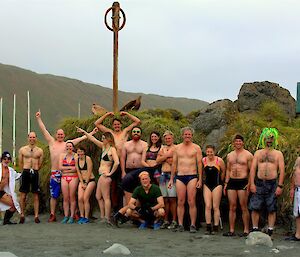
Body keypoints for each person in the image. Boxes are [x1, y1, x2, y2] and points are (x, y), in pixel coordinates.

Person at [35, 110, 93, 222]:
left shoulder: (68, 144)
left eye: (62, 134)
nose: (60, 136)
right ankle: (52, 214)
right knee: (54, 195)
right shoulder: (51, 142)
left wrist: (92, 133)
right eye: (59, 134)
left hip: (69, 174)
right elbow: (44, 130)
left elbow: (81, 138)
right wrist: (38, 118)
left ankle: (74, 213)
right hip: (55, 173)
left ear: (64, 135)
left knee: (71, 195)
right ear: (56, 135)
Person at [95, 111, 141, 212]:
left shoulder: (125, 132)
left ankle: (127, 209)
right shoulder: (110, 133)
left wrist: (127, 114)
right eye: (115, 124)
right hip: (113, 163)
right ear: (112, 125)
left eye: (118, 124)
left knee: (125, 186)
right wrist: (106, 114)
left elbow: (137, 121)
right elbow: (97, 124)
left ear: (121, 125)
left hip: (124, 162)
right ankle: (115, 208)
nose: (116, 126)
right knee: (114, 186)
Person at [77, 127, 119, 225]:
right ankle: (103, 216)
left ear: (108, 139)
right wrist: (84, 132)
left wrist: (110, 173)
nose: (102, 140)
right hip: (101, 175)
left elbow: (116, 162)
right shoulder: (104, 147)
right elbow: (93, 139)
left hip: (106, 176)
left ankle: (107, 218)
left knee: (106, 197)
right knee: (98, 196)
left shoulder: (112, 149)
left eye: (103, 138)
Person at [249, 128, 285, 236]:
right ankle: (255, 229)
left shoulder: (278, 154)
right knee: (255, 206)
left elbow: (282, 170)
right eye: (267, 138)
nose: (269, 140)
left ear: (274, 140)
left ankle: (270, 231)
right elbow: (253, 169)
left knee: (271, 208)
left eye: (271, 138)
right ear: (263, 139)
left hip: (272, 184)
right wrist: (251, 183)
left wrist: (280, 186)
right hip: (259, 183)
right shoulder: (258, 153)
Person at [168, 127, 202, 233]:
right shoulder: (177, 148)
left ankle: (192, 224)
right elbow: (174, 164)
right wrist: (171, 179)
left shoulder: (196, 148)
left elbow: (200, 164)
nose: (187, 136)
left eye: (189, 134)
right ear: (182, 135)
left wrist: (200, 179)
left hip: (192, 176)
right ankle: (180, 224)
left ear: (192, 136)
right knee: (180, 201)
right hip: (180, 176)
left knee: (191, 201)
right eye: (185, 134)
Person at [223, 134, 253, 237]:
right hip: (232, 181)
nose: (238, 143)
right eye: (236, 141)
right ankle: (231, 230)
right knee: (232, 206)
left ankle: (246, 230)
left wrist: (250, 183)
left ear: (243, 143)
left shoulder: (248, 155)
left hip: (242, 181)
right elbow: (228, 169)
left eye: (240, 141)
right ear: (234, 143)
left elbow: (251, 171)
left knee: (243, 206)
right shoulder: (230, 155)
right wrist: (226, 183)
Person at [18, 132, 44, 224]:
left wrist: (35, 170)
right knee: (23, 195)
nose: (32, 139)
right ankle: (22, 215)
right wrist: (25, 171)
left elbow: (40, 163)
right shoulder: (22, 150)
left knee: (36, 194)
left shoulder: (40, 151)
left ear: (36, 138)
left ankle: (36, 216)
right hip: (26, 171)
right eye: (30, 137)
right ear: (28, 138)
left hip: (35, 172)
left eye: (33, 137)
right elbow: (20, 162)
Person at [156, 130, 177, 229]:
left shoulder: (176, 148)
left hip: (172, 174)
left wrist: (164, 157)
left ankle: (174, 220)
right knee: (164, 199)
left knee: (172, 198)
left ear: (172, 138)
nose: (168, 140)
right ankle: (165, 220)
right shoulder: (162, 148)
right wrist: (167, 156)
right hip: (163, 174)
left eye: (169, 138)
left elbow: (174, 161)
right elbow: (157, 160)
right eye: (166, 138)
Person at [202, 145, 225, 234]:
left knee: (215, 206)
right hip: (207, 185)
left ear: (214, 152)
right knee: (208, 206)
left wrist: (222, 182)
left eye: (211, 152)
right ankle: (208, 226)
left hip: (217, 184)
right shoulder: (203, 160)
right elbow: (202, 172)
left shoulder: (219, 160)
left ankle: (215, 226)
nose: (209, 153)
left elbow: (223, 172)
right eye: (208, 152)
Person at [75, 145, 96, 224]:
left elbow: (89, 171)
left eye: (81, 151)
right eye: (78, 152)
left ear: (84, 152)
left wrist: (86, 183)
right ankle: (82, 216)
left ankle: (86, 217)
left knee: (85, 198)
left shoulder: (87, 159)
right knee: (80, 198)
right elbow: (78, 172)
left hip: (90, 180)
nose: (80, 153)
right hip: (82, 181)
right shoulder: (76, 160)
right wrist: (82, 182)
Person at [59, 141, 78, 224]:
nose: (69, 148)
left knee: (72, 196)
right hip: (64, 177)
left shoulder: (76, 156)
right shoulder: (62, 155)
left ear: (73, 147)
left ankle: (72, 215)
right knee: (65, 197)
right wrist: (71, 168)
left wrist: (66, 168)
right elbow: (60, 167)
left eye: (70, 146)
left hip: (74, 177)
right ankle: (66, 215)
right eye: (67, 146)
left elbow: (76, 168)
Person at [0, 151, 21, 225]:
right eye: (4, 159)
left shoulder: (11, 171)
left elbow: (18, 175)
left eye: (8, 159)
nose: (6, 160)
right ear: (1, 159)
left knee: (13, 205)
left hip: (1, 192)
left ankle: (6, 221)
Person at [286, 157, 300, 241]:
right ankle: (298, 235)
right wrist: (292, 188)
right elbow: (294, 174)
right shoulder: (298, 159)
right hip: (298, 190)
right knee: (298, 213)